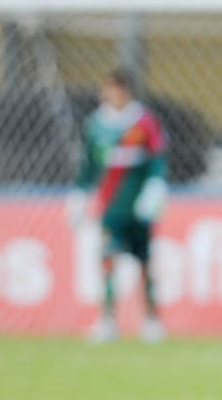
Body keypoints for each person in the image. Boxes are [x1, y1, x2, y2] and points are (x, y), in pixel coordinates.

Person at [68, 68, 168, 343]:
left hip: (138, 205)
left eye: (118, 89)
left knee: (145, 261)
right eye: (108, 89)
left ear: (126, 91)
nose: (112, 94)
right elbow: (89, 165)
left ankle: (151, 320)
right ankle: (107, 320)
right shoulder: (96, 124)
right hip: (110, 207)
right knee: (107, 258)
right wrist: (79, 195)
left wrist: (155, 186)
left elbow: (157, 159)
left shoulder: (144, 122)